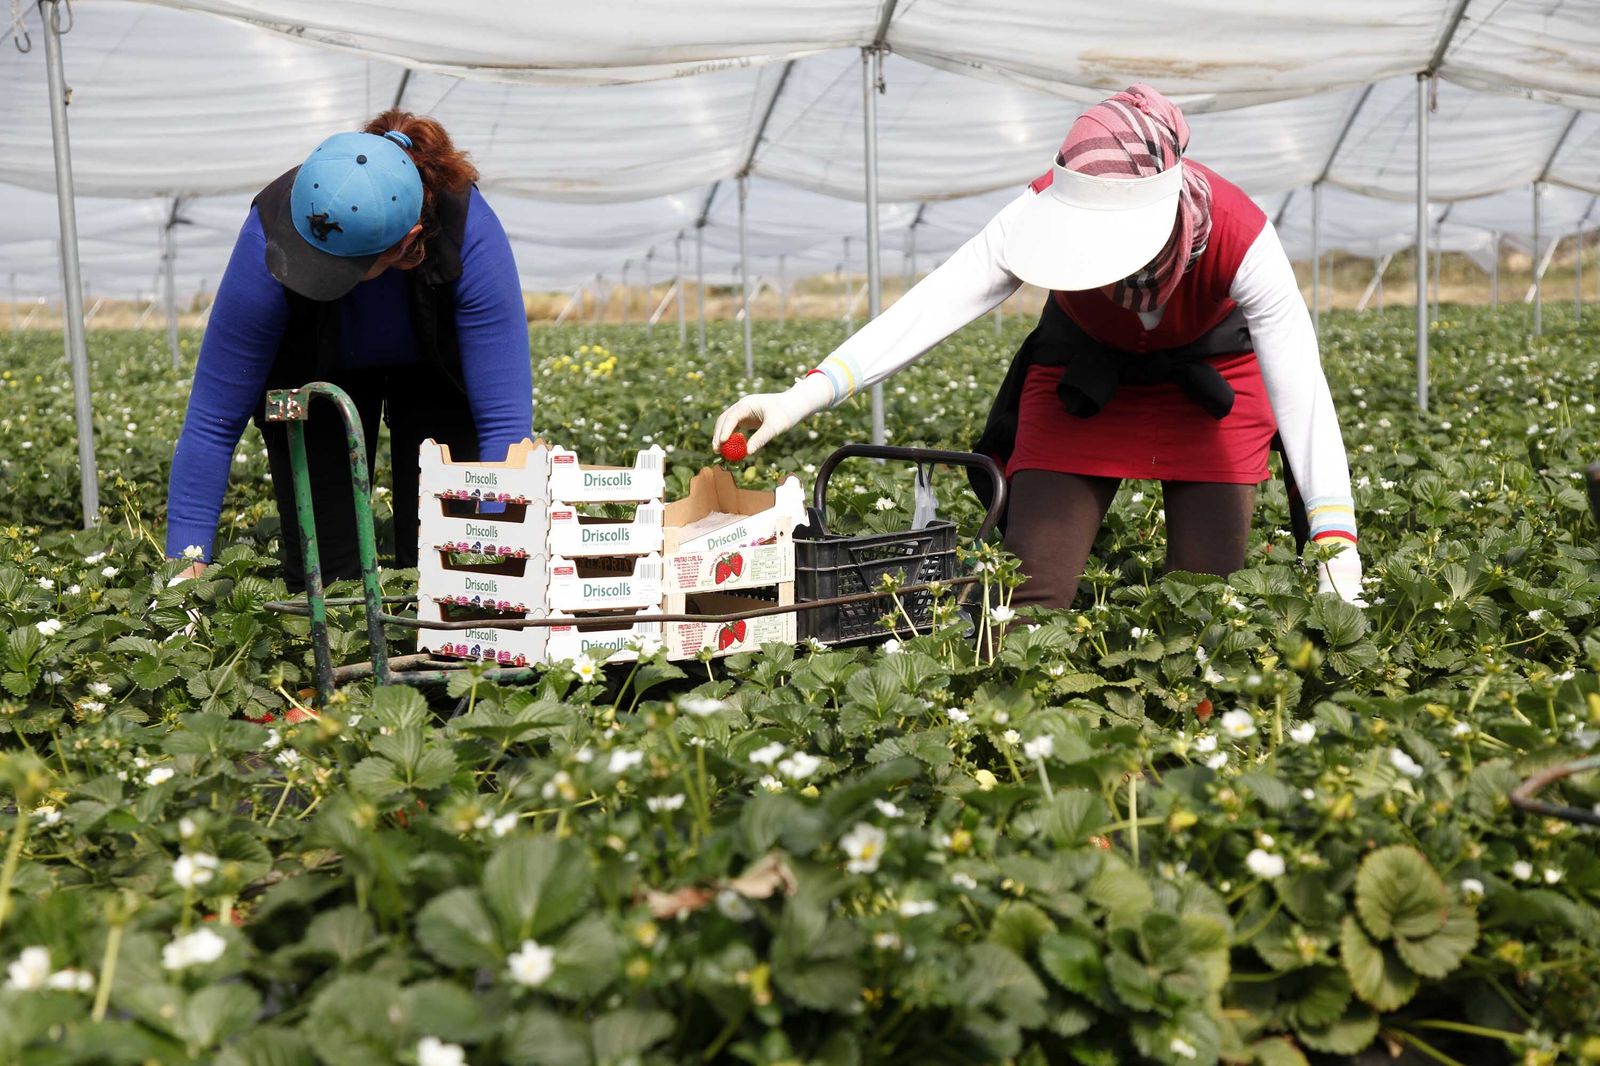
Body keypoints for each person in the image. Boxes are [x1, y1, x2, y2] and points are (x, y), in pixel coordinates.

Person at [714, 85, 1362, 608]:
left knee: (1206, 602)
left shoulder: (1242, 236)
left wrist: (1339, 545)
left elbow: (1303, 398)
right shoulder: (1033, 213)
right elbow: (928, 308)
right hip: (1086, 380)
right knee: (1030, 596)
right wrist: (798, 397)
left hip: (1210, 385)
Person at [165, 110, 531, 589]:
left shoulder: (469, 232)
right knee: (325, 572)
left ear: (407, 244)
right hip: (312, 373)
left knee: (446, 556)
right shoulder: (271, 231)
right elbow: (212, 423)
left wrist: (502, 565)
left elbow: (504, 423)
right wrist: (184, 578)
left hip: (434, 375)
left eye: (339, 268)